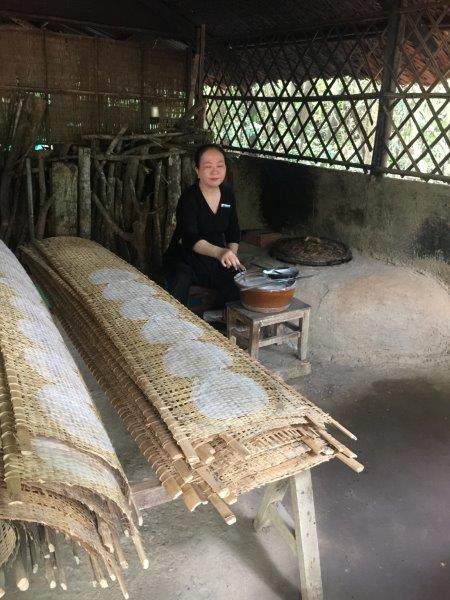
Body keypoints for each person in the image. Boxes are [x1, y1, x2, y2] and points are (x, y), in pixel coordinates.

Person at [165, 143, 244, 309]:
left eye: (220, 166)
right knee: (180, 280)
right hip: (186, 257)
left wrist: (231, 257)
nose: (215, 171)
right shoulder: (189, 198)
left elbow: (233, 231)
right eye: (208, 166)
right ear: (197, 170)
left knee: (238, 282)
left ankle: (218, 326)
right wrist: (220, 252)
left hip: (215, 258)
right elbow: (190, 237)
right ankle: (173, 326)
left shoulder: (228, 195)